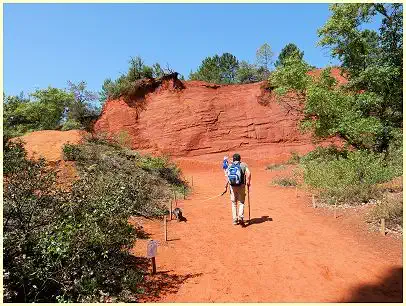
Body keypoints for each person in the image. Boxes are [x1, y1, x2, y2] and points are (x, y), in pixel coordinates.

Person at [224, 153, 251, 225]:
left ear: (233, 159)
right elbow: (248, 173)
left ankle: (235, 220)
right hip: (241, 186)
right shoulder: (243, 165)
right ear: (240, 159)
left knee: (233, 203)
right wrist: (248, 182)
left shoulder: (230, 166)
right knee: (241, 202)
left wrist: (226, 186)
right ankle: (240, 216)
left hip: (232, 186)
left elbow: (227, 176)